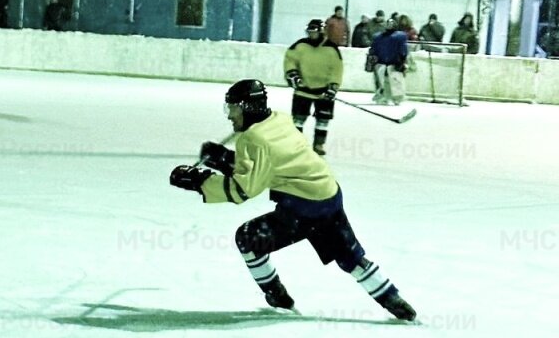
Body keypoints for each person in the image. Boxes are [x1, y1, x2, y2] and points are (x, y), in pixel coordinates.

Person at [169, 79, 415, 320]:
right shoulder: (279, 119)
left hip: (302, 208)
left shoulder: (253, 139)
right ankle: (393, 299)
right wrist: (223, 158)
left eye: (233, 108)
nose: (230, 115)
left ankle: (277, 296)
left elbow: (242, 189)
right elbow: (271, 164)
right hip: (327, 193)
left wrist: (198, 181)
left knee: (248, 238)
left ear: (248, 108)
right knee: (349, 258)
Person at [282, 18, 343, 156]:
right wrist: (292, 75)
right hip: (303, 90)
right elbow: (290, 61)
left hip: (323, 91)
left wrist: (333, 86)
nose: (311, 34)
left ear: (321, 31)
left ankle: (319, 144)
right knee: (298, 119)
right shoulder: (299, 45)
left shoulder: (332, 48)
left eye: (314, 31)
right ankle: (297, 144)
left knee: (323, 120)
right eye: (309, 31)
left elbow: (337, 69)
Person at [368, 18, 409, 105]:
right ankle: (384, 96)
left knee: (394, 81)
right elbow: (373, 50)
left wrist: (402, 60)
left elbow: (403, 51)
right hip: (382, 63)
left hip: (394, 63)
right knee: (383, 82)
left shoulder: (399, 37)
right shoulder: (379, 37)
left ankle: (395, 98)